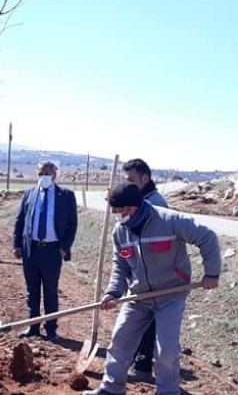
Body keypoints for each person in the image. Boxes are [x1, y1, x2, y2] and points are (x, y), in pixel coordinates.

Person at [84, 183, 221, 395]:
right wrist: (113, 292)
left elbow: (207, 237)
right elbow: (120, 265)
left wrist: (212, 273)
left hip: (171, 295)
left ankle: (167, 391)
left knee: (165, 349)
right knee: (120, 340)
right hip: (138, 296)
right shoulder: (120, 232)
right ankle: (111, 389)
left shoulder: (169, 220)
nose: (116, 216)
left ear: (130, 208)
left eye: (118, 211)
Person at [12, 160, 78, 341]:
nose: (44, 177)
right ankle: (33, 326)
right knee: (31, 290)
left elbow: (72, 225)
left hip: (52, 251)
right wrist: (16, 245)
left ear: (55, 174)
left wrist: (64, 247)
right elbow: (20, 221)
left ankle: (51, 329)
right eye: (41, 174)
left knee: (50, 291)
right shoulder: (29, 194)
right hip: (30, 250)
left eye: (47, 174)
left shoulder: (66, 195)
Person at [121, 158, 168, 382]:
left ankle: (142, 366)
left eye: (131, 180)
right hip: (140, 270)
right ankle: (137, 360)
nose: (128, 185)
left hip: (155, 274)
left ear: (145, 178)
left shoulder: (156, 204)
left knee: (147, 319)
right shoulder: (139, 200)